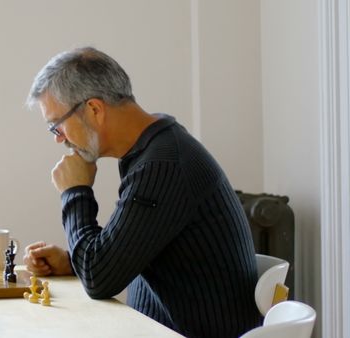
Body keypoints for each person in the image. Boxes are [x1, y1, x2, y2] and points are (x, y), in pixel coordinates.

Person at [23, 47, 261, 338]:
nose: (59, 139)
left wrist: (75, 191)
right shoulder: (156, 148)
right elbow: (125, 253)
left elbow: (99, 279)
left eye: (56, 125)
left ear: (94, 109)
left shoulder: (164, 165)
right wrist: (73, 260)